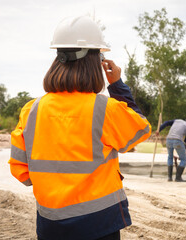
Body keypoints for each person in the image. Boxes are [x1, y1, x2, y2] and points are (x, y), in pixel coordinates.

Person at [8, 16, 151, 240]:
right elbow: (140, 129)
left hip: (50, 225)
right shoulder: (105, 109)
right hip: (99, 224)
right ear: (95, 62)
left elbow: (22, 171)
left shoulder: (31, 110)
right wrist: (118, 86)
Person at [156, 117, 186, 182]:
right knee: (183, 159)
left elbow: (166, 123)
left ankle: (169, 177)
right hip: (177, 141)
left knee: (170, 157)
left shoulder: (177, 120)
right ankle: (178, 178)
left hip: (168, 140)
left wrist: (158, 130)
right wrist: (182, 152)